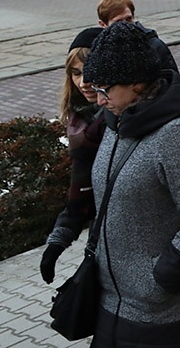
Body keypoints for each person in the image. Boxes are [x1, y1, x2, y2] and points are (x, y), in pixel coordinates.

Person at [82, 22, 180, 346]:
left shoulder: (175, 134)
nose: (100, 100)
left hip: (171, 314)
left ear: (136, 85)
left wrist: (161, 278)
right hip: (114, 303)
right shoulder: (116, 124)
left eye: (105, 90)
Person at [39, 27, 106, 284]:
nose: (83, 82)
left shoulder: (121, 118)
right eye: (76, 73)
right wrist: (58, 241)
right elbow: (81, 188)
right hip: (104, 232)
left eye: (88, 72)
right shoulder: (80, 119)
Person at [96, 0, 178, 71]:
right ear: (103, 24)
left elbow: (172, 80)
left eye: (129, 19)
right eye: (118, 22)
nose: (125, 25)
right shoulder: (100, 49)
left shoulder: (154, 45)